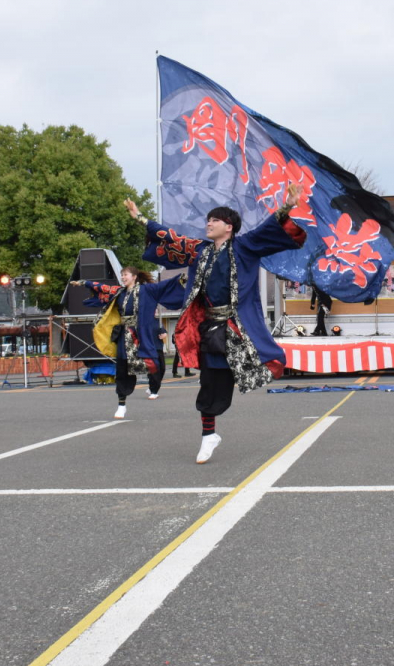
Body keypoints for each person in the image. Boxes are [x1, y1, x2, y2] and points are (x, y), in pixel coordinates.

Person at [126, 182, 306, 464]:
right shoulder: (201, 251)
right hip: (210, 328)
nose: (208, 224)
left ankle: (258, 365)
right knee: (210, 385)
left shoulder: (244, 246)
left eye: (215, 220)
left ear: (229, 227)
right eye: (208, 220)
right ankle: (209, 435)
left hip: (238, 327)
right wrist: (140, 218)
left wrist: (287, 206)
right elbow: (170, 238)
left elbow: (268, 228)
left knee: (263, 364)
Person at [72, 266, 185, 419]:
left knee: (155, 365)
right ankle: (121, 404)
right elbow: (102, 288)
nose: (123, 278)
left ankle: (154, 389)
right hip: (125, 335)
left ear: (134, 276)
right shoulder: (119, 292)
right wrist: (85, 283)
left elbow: (165, 285)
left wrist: (182, 278)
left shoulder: (147, 290)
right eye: (122, 275)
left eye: (125, 275)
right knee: (122, 369)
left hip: (143, 335)